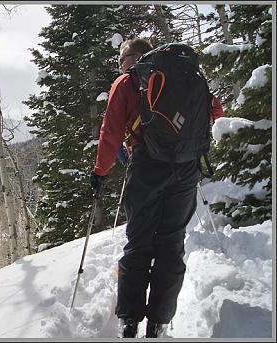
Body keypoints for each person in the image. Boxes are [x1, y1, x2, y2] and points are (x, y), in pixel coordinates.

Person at [90, 38, 223, 338]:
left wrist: (99, 171)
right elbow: (215, 109)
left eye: (121, 59)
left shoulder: (127, 82)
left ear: (131, 57)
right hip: (187, 168)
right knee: (172, 241)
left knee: (139, 242)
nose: (120, 64)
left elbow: (110, 132)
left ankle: (130, 320)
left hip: (148, 166)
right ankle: (158, 320)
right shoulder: (184, 75)